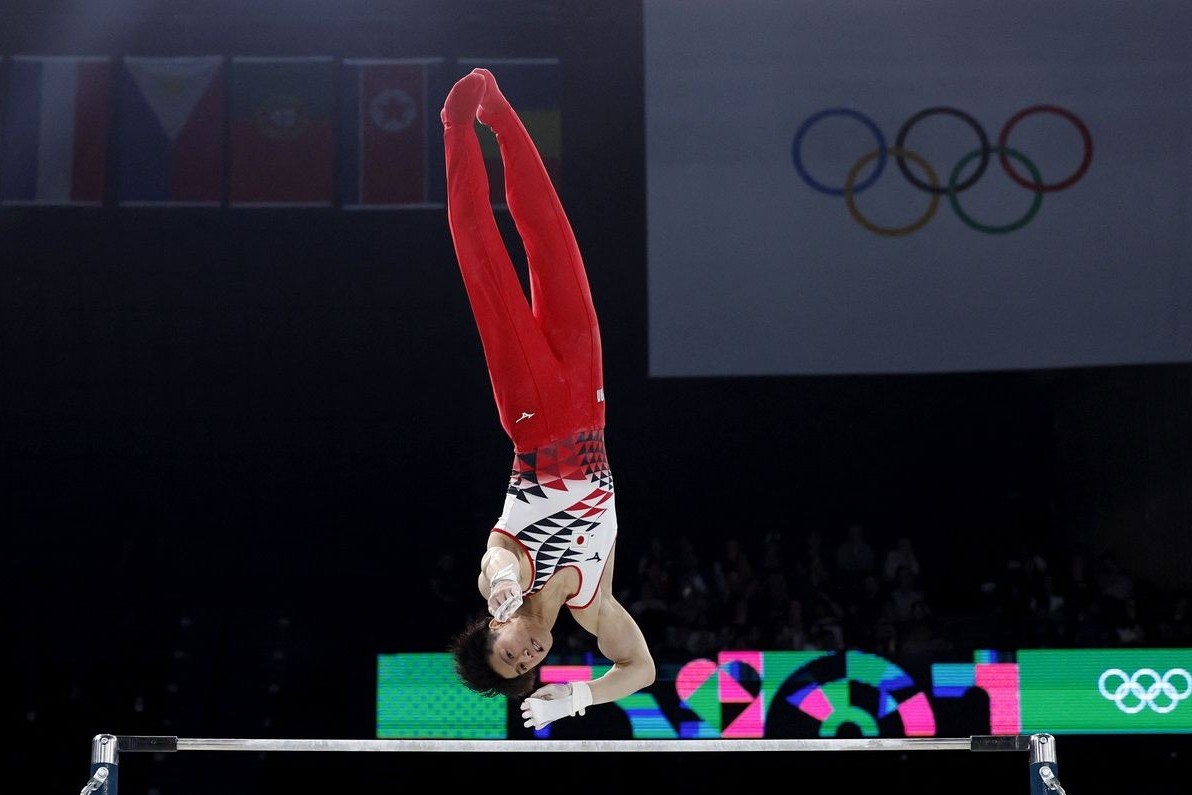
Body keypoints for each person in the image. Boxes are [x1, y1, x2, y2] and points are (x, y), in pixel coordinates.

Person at [441, 68, 656, 731]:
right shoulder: (593, 605)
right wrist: (585, 694)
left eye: (511, 654)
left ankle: (462, 127)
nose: (530, 655)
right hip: (589, 398)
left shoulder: (508, 581)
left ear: (492, 628)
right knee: (552, 235)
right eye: (528, 668)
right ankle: (500, 112)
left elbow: (495, 560)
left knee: (487, 259)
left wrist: (504, 586)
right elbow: (641, 667)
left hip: (534, 414)